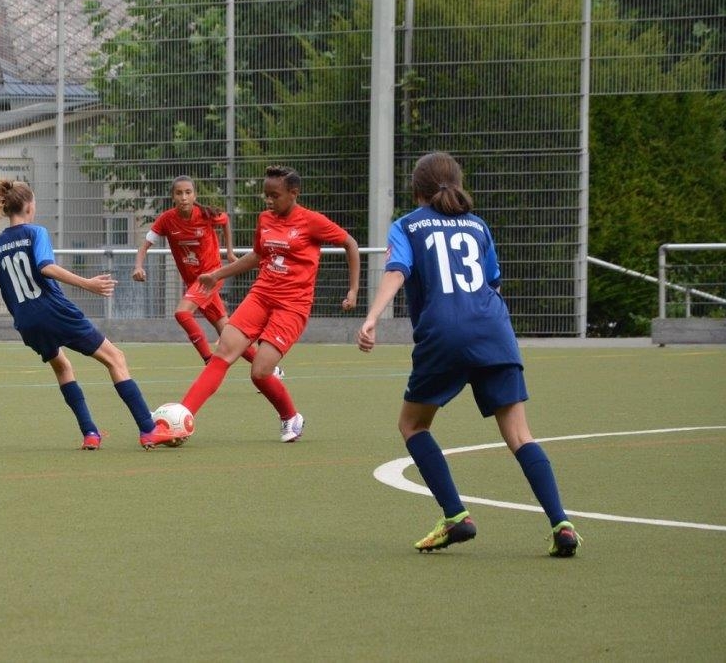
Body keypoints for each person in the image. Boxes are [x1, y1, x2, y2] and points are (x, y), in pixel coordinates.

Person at [357, 151, 580, 557]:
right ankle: (561, 523)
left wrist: (372, 317)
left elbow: (396, 271)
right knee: (520, 435)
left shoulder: (407, 225)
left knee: (413, 425)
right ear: (456, 183)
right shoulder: (477, 226)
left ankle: (455, 516)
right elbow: (493, 283)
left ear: (415, 189)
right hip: (495, 331)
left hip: (444, 333)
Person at [0, 179, 179, 451]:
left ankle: (90, 433)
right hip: (54, 311)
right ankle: (148, 429)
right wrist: (87, 283)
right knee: (115, 358)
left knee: (62, 366)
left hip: (27, 323)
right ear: (29, 207)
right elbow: (45, 267)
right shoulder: (35, 232)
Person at [177, 164, 360, 442]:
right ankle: (181, 417)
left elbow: (350, 244)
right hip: (261, 295)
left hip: (292, 305)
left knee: (260, 372)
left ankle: (291, 417)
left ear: (293, 193)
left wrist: (353, 290)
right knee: (224, 350)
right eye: (266, 195)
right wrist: (216, 275)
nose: (269, 201)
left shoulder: (311, 221)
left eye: (275, 195)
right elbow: (256, 256)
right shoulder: (265, 219)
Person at [132, 175, 284, 381]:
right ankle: (273, 372)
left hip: (211, 276)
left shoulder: (205, 215)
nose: (184, 197)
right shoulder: (166, 220)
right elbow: (144, 245)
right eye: (179, 193)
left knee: (182, 313)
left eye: (188, 192)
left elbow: (225, 220)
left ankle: (208, 359)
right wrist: (138, 266)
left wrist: (229, 253)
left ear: (195, 195)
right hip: (193, 282)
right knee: (228, 336)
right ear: (173, 197)